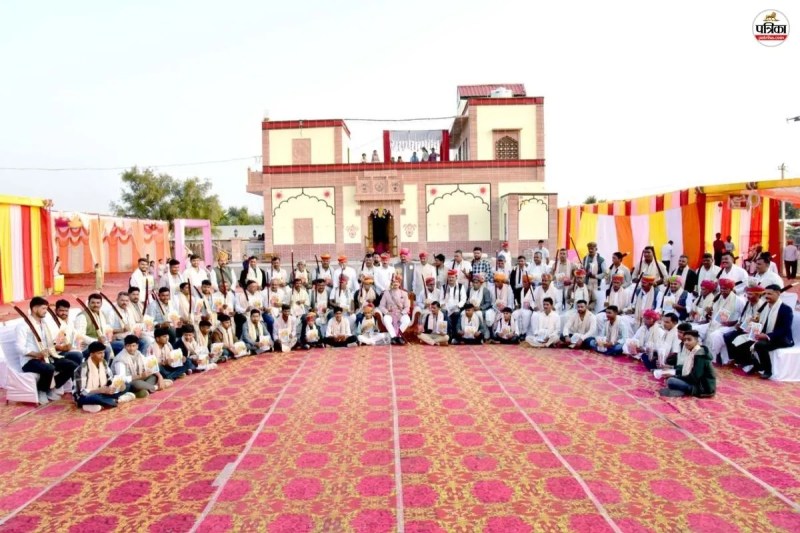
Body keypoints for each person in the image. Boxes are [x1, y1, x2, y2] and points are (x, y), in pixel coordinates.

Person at [16, 296, 80, 405]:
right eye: (43, 308)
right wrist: (36, 354)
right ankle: (42, 391)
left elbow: (50, 342)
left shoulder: (44, 324)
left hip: (47, 356)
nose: (46, 311)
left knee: (72, 365)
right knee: (49, 368)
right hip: (30, 360)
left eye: (46, 308)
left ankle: (54, 388)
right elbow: (19, 347)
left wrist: (59, 344)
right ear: (34, 309)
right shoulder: (23, 326)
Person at [73, 341, 136, 413]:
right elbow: (81, 392)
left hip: (103, 393)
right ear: (92, 354)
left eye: (103, 352)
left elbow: (110, 381)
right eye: (99, 353)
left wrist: (115, 387)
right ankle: (117, 400)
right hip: (87, 395)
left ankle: (98, 404)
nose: (102, 355)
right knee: (94, 398)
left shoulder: (103, 363)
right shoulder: (82, 369)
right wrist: (99, 390)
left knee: (127, 385)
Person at [749, 285, 794, 379]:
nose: (766, 296)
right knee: (746, 339)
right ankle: (757, 365)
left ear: (778, 293)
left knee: (760, 345)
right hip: (769, 335)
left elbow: (784, 329)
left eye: (769, 294)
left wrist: (767, 336)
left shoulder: (785, 309)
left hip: (782, 338)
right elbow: (764, 323)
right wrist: (755, 324)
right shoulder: (766, 306)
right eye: (765, 293)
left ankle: (767, 371)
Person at [660, 330, 716, 398]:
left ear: (696, 341)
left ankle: (682, 391)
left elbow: (694, 377)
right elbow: (685, 367)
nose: (686, 342)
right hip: (696, 383)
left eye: (689, 340)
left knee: (671, 381)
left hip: (702, 388)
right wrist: (671, 368)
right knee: (671, 379)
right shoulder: (693, 352)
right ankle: (680, 390)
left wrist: (675, 376)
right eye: (684, 340)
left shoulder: (700, 355)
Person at [74, 293, 114, 362]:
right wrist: (96, 341)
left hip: (101, 344)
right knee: (106, 350)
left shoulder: (101, 314)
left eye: (98, 303)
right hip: (86, 347)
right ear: (88, 303)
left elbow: (105, 330)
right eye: (93, 303)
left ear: (101, 304)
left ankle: (105, 367)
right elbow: (80, 336)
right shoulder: (82, 316)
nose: (96, 305)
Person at [46, 299, 86, 365]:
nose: (64, 313)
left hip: (72, 349)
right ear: (56, 310)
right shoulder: (51, 324)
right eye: (61, 311)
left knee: (93, 349)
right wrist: (63, 348)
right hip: (58, 353)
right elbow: (50, 344)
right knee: (78, 356)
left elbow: (76, 335)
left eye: (66, 311)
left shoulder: (69, 322)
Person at [378, 276, 411, 345]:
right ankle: (393, 337)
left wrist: (402, 313)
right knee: (386, 319)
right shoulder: (386, 293)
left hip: (400, 313)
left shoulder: (404, 293)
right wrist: (387, 312)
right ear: (391, 283)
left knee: (407, 320)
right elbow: (381, 306)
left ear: (400, 283)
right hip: (390, 313)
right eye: (394, 282)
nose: (395, 283)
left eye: (397, 282)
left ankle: (398, 336)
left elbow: (407, 307)